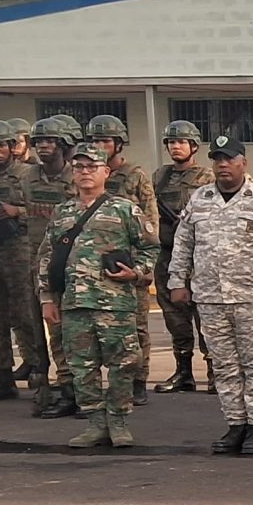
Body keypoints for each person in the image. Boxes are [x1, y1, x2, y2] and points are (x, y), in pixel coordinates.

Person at [166, 133, 253, 457]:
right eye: (217, 159)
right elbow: (183, 243)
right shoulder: (200, 198)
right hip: (211, 298)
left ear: (243, 163)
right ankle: (235, 424)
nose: (223, 165)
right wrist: (176, 280)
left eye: (229, 159)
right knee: (224, 365)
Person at [40, 142, 158, 448]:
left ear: (106, 171)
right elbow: (47, 257)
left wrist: (137, 273)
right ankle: (94, 422)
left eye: (92, 167)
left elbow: (150, 246)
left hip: (114, 303)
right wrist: (47, 298)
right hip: (74, 304)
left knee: (124, 363)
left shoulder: (124, 209)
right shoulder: (63, 212)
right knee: (82, 367)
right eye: (79, 167)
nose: (84, 173)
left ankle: (118, 421)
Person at [89, 116, 160, 402]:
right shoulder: (88, 174)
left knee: (137, 325)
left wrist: (144, 267)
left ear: (118, 144)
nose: (100, 146)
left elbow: (151, 221)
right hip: (94, 264)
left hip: (129, 263)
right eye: (95, 141)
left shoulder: (135, 176)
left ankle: (139, 381)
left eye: (105, 141)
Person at [0, 120, 42, 401]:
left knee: (25, 313)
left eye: (1, 145)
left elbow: (44, 211)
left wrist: (18, 211)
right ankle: (3, 374)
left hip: (20, 248)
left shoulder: (28, 174)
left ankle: (38, 369)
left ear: (12, 147)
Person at [21, 119, 82, 419]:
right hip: (35, 260)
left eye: (50, 140)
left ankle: (80, 390)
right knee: (42, 329)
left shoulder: (77, 178)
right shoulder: (27, 176)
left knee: (71, 331)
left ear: (64, 144)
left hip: (70, 262)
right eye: (39, 141)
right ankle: (55, 386)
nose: (43, 146)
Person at [151, 121, 213, 393]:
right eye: (171, 143)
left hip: (198, 255)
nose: (175, 147)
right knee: (175, 318)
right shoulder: (160, 177)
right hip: (167, 254)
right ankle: (183, 371)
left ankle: (214, 372)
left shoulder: (207, 177)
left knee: (206, 316)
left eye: (181, 142)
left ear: (194, 146)